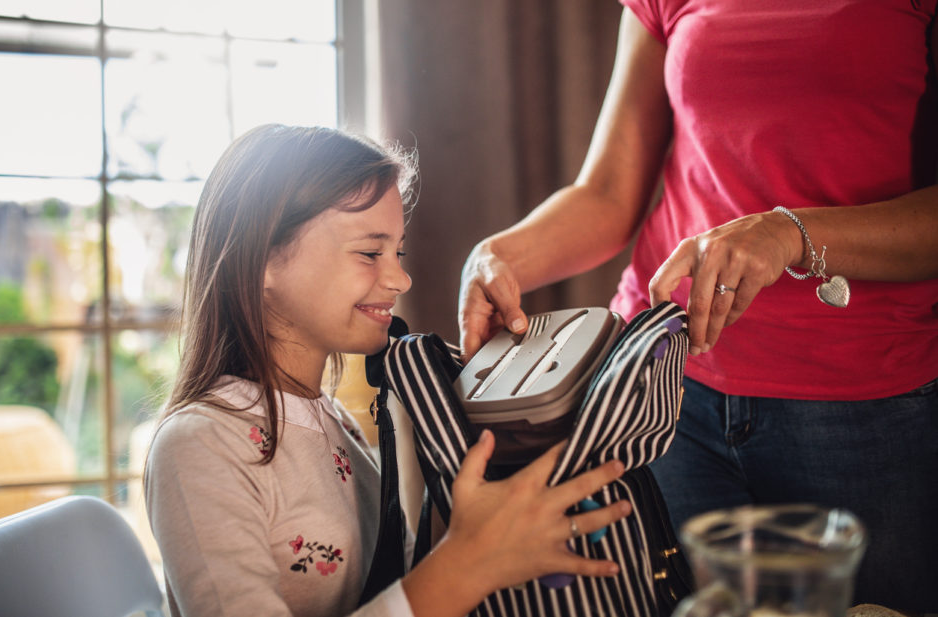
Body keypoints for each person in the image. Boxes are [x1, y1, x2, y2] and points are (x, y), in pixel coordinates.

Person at [458, 3, 938, 613]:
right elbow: (607, 192)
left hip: (864, 404)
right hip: (664, 387)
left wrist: (789, 232)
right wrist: (500, 257)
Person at [144, 124, 633, 617]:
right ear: (263, 259)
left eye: (396, 252)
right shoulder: (201, 445)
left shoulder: (336, 422)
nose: (400, 278)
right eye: (369, 253)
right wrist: (468, 565)